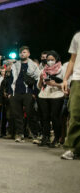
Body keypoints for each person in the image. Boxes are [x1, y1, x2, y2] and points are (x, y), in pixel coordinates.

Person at [8, 46, 40, 142]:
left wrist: (34, 93)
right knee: (17, 115)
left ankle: (35, 134)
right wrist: (10, 92)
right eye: (21, 52)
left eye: (25, 52)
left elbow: (37, 80)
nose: (22, 54)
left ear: (28, 54)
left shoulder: (33, 66)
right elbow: (11, 79)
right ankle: (19, 134)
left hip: (28, 92)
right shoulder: (15, 65)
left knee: (31, 114)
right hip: (16, 92)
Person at [37, 51, 66, 147]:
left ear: (56, 59)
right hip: (43, 95)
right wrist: (41, 79)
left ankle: (57, 139)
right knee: (44, 117)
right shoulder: (43, 70)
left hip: (57, 95)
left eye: (52, 60)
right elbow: (39, 86)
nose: (50, 61)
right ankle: (45, 137)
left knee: (55, 117)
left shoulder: (62, 69)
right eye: (48, 60)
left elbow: (66, 85)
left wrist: (55, 84)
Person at [61, 32, 80, 160]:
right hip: (78, 78)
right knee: (75, 113)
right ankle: (73, 148)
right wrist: (65, 79)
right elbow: (73, 59)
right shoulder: (77, 36)